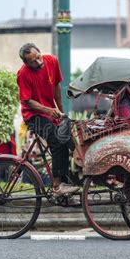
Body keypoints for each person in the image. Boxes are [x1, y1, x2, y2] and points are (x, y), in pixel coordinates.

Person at [16, 43, 79, 197]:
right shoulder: (23, 74)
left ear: (40, 52)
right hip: (33, 116)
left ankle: (68, 182)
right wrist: (49, 110)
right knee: (57, 140)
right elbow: (27, 101)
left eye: (38, 57)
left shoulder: (51, 61)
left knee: (69, 140)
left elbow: (57, 88)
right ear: (26, 63)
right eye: (33, 61)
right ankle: (57, 187)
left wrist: (61, 112)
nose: (38, 62)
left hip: (50, 113)